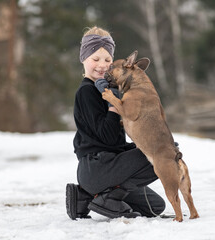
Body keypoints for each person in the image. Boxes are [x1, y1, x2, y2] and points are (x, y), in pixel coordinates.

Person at [66, 26, 165, 220]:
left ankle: (85, 197)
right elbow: (108, 138)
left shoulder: (108, 89)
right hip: (96, 167)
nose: (102, 65)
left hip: (109, 166)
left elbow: (116, 141)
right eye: (95, 59)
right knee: (163, 151)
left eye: (107, 60)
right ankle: (108, 197)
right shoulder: (87, 92)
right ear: (84, 59)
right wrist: (114, 104)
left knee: (155, 207)